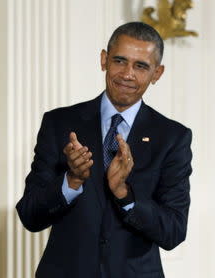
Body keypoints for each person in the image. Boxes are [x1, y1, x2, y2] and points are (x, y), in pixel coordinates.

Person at [16, 22, 192, 277]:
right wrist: (71, 180)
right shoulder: (60, 123)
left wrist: (125, 194)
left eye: (141, 66)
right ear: (104, 60)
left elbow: (173, 231)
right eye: (120, 61)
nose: (127, 74)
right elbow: (30, 215)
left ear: (157, 73)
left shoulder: (172, 137)